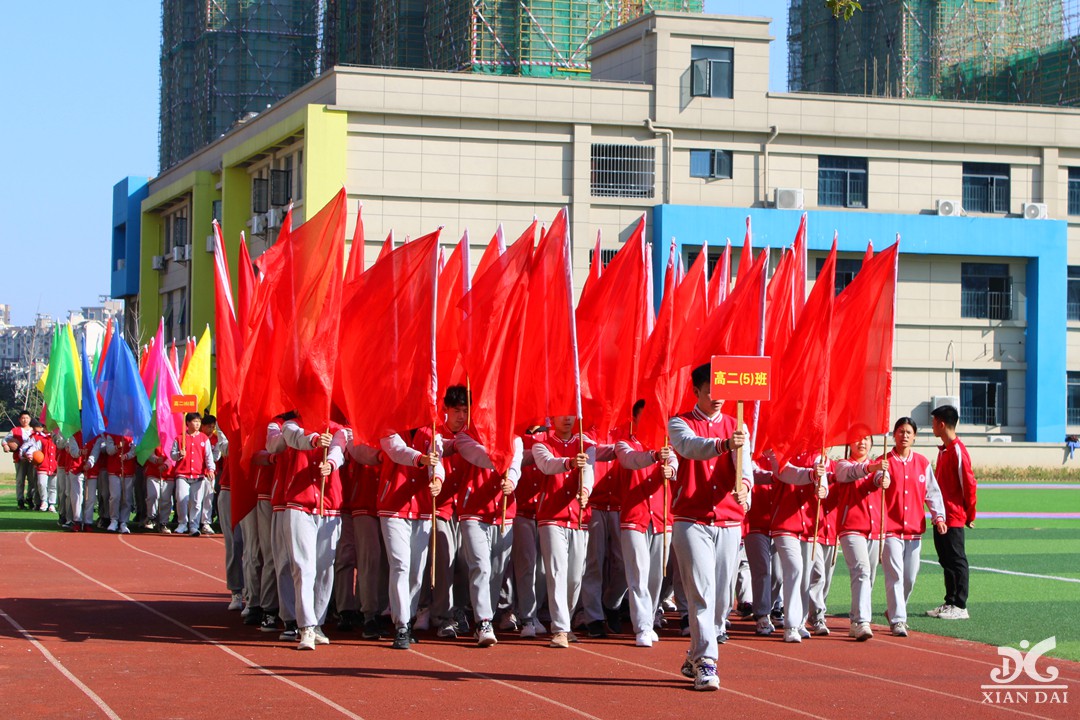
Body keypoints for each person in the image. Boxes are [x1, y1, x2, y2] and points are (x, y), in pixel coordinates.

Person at [667, 363, 752, 692]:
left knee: (720, 600)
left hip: (729, 519)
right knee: (700, 592)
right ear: (697, 392)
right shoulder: (680, 423)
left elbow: (748, 468)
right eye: (709, 391)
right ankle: (706, 662)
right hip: (691, 519)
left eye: (721, 392)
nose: (717, 398)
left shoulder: (738, 425)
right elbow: (690, 447)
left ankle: (694, 655)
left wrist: (745, 487)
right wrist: (724, 445)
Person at [455, 391, 523, 648]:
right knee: (480, 566)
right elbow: (478, 456)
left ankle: (489, 615)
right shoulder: (466, 436)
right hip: (473, 510)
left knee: (497, 570)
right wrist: (500, 458)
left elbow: (515, 462)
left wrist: (512, 480)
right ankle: (483, 621)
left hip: (504, 511)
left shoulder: (514, 438)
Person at [614, 400, 677, 648]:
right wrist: (653, 457)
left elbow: (674, 463)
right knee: (638, 573)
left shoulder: (667, 446)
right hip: (634, 518)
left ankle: (649, 619)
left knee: (655, 576)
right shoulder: (625, 445)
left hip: (661, 518)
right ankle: (642, 626)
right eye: (645, 417)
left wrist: (669, 469)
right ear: (635, 419)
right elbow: (631, 460)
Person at [280, 417, 346, 651]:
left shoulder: (338, 428)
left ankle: (318, 622)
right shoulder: (292, 424)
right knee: (303, 566)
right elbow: (294, 438)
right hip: (300, 504)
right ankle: (306, 626)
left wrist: (331, 463)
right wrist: (316, 440)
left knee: (325, 568)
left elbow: (340, 448)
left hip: (329, 504)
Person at [378, 425, 444, 650]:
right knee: (400, 565)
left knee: (416, 572)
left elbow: (439, 462)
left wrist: (437, 481)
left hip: (422, 509)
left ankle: (409, 616)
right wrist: (422, 459)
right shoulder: (390, 427)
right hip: (393, 508)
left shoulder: (433, 431)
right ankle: (402, 625)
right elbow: (397, 450)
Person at [533, 415, 594, 649]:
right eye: (562, 414)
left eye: (571, 414)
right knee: (557, 571)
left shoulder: (586, 445)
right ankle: (560, 628)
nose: (567, 419)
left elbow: (590, 469)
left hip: (579, 516)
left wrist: (586, 490)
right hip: (551, 516)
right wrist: (568, 463)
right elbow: (547, 465)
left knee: (575, 576)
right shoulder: (542, 443)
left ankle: (565, 620)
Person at [882, 417, 947, 637]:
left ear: (915, 436)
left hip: (914, 530)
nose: (905, 435)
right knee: (896, 576)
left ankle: (893, 610)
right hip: (890, 530)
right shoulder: (884, 462)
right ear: (894, 435)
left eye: (909, 432)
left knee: (909, 578)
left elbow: (932, 492)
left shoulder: (922, 463)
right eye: (901, 431)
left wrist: (938, 517)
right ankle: (898, 619)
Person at [769, 453, 829, 643]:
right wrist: (811, 475)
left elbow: (824, 482)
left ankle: (801, 620)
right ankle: (791, 624)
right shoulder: (779, 450)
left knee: (807, 574)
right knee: (794, 568)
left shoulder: (818, 454)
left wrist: (823, 489)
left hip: (809, 524)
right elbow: (786, 473)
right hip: (785, 521)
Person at [833, 432, 888, 641]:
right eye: (858, 439)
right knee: (862, 570)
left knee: (869, 575)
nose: (862, 442)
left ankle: (856, 618)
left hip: (874, 529)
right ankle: (862, 621)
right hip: (851, 528)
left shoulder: (876, 466)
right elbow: (852, 473)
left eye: (866, 439)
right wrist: (873, 469)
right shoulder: (843, 465)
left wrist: (883, 477)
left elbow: (877, 479)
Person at [927, 404, 977, 621]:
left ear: (942, 423)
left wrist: (969, 514)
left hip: (954, 516)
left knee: (957, 559)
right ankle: (950, 601)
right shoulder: (944, 451)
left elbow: (969, 483)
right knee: (945, 559)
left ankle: (961, 605)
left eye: (933, 422)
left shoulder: (957, 450)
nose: (932, 426)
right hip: (941, 517)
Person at [512, 426, 549, 639]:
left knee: (543, 569)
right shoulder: (517, 435)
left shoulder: (550, 434)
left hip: (545, 511)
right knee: (526, 564)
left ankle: (538, 609)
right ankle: (527, 615)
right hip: (522, 509)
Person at [171, 412, 216, 537]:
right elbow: (172, 455)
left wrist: (211, 469)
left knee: (196, 502)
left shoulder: (204, 438)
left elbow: (208, 456)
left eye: (198, 422)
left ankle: (194, 526)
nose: (197, 424)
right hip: (182, 474)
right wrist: (179, 454)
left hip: (199, 475)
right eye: (194, 422)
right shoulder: (180, 438)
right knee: (181, 499)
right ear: (187, 423)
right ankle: (182, 523)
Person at [104, 432, 136, 533]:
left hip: (128, 470)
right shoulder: (111, 434)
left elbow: (135, 450)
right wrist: (117, 447)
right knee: (115, 496)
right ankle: (114, 520)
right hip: (114, 470)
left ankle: (124, 522)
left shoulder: (133, 434)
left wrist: (127, 456)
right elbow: (109, 450)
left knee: (126, 497)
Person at [4, 410, 35, 510]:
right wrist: (6, 446)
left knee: (32, 480)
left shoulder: (34, 431)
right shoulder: (15, 430)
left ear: (30, 419)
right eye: (23, 418)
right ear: (19, 420)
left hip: (32, 459)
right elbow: (5, 439)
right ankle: (20, 500)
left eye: (27, 418)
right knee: (20, 480)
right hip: (20, 459)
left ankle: (30, 498)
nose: (25, 420)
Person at [143, 446, 174, 533]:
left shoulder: (172, 440)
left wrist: (166, 465)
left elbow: (174, 455)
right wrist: (156, 459)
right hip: (153, 472)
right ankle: (151, 517)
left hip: (168, 474)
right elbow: (148, 452)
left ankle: (163, 523)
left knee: (166, 499)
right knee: (153, 495)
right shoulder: (153, 439)